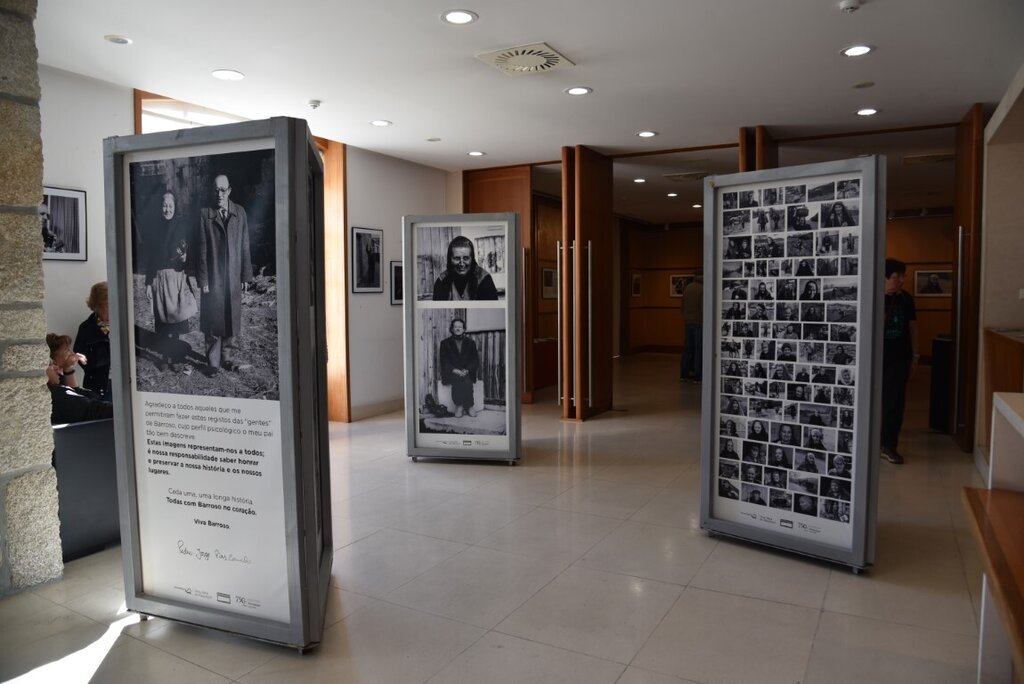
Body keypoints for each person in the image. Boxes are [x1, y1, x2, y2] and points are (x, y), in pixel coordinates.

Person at [199, 174, 253, 375]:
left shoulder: (240, 213)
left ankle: (227, 357)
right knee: (213, 318)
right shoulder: (205, 214)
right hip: (213, 276)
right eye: (216, 190)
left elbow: (245, 246)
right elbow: (201, 249)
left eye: (222, 190)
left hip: (233, 275)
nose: (219, 194)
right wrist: (203, 278)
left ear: (229, 191)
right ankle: (213, 362)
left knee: (232, 317)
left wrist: (245, 275)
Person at [146, 191, 196, 372]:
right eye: (164, 205)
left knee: (176, 321)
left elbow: (189, 251)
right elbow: (150, 258)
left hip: (176, 277)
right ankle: (164, 357)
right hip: (160, 278)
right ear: (161, 207)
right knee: (162, 321)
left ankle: (175, 357)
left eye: (170, 206)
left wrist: (185, 258)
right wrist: (148, 282)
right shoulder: (154, 227)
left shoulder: (182, 225)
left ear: (175, 207)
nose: (167, 209)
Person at [881, 258, 917, 464]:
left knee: (895, 403)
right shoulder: (872, 296)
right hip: (876, 358)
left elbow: (912, 327)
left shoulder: (906, 299)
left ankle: (889, 445)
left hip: (900, 357)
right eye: (897, 276)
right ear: (884, 277)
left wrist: (915, 356)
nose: (901, 280)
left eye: (903, 276)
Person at [46, 333, 113, 424]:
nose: (72, 353)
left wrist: (68, 368)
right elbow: (89, 409)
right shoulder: (55, 392)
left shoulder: (58, 382)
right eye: (67, 350)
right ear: (53, 356)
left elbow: (78, 393)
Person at [74, 282, 111, 400]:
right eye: (108, 306)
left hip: (126, 382)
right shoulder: (86, 328)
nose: (113, 309)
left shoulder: (125, 323)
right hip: (99, 387)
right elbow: (81, 358)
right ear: (96, 306)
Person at [432, 235, 498, 301]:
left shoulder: (484, 280)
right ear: (450, 259)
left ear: (472, 259)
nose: (462, 264)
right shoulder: (442, 281)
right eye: (457, 258)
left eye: (466, 258)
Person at [439, 317, 479, 418]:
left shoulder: (471, 343)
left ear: (464, 329)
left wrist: (467, 370)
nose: (457, 329)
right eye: (455, 327)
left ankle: (469, 406)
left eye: (460, 327)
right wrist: (454, 370)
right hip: (452, 372)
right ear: (452, 329)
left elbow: (475, 360)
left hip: (467, 371)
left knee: (466, 380)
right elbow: (444, 360)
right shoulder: (445, 343)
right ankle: (459, 406)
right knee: (457, 379)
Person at [679, 272, 703, 382]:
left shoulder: (688, 288)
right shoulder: (703, 288)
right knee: (698, 350)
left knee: (687, 349)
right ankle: (697, 376)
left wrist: (687, 317)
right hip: (699, 323)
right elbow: (703, 308)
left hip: (688, 322)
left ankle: (684, 374)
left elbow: (682, 307)